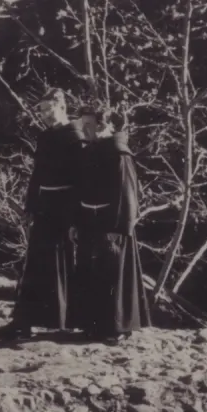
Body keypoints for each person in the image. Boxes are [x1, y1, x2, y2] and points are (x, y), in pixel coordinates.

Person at [0, 89, 85, 340]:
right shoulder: (45, 137)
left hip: (65, 206)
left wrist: (76, 217)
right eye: (41, 110)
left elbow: (82, 180)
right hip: (44, 205)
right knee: (35, 263)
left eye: (49, 109)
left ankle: (64, 321)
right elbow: (37, 174)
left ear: (62, 107)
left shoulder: (75, 135)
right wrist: (30, 206)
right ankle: (24, 321)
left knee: (64, 261)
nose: (44, 115)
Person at [73, 105, 151, 342]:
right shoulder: (89, 150)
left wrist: (120, 229)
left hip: (112, 225)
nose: (82, 130)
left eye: (87, 125)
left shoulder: (119, 153)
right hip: (89, 221)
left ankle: (117, 328)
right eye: (81, 125)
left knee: (113, 275)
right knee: (90, 273)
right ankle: (93, 325)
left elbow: (128, 193)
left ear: (102, 125)